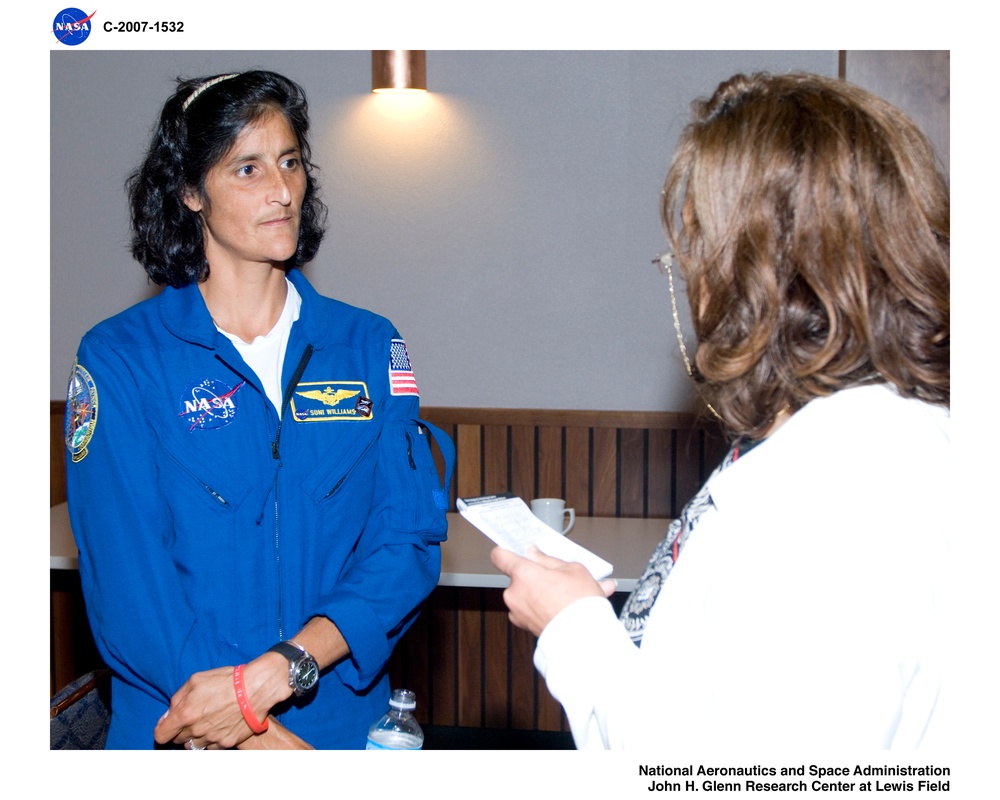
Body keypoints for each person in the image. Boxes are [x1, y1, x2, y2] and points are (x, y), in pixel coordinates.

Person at [491, 72, 951, 750]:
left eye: (697, 251)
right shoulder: (887, 441)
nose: (692, 281)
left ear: (756, 270)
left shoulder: (830, 501)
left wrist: (574, 630)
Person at [64, 70, 453, 749]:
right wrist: (252, 737)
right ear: (190, 192)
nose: (281, 192)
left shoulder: (366, 345)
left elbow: (405, 545)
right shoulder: (121, 359)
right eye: (247, 169)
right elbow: (130, 587)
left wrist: (285, 667)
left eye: (290, 162)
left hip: (336, 729)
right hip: (179, 732)